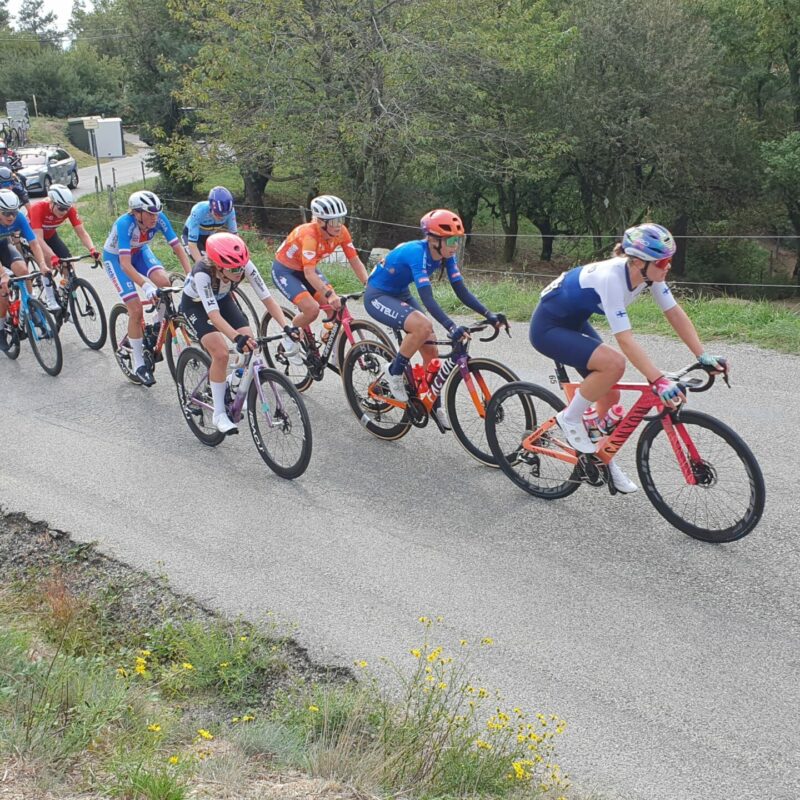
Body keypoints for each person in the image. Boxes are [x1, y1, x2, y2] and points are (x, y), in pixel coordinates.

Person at [529, 222, 727, 494]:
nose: (668, 265)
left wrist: (702, 355)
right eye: (663, 261)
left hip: (573, 322)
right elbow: (625, 339)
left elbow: (674, 313)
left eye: (670, 259)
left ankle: (599, 460)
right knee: (613, 364)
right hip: (548, 328)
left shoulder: (649, 275)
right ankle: (570, 418)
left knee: (609, 398)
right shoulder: (612, 278)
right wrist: (657, 379)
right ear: (636, 261)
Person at [364, 208, 506, 429]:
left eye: (457, 240)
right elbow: (427, 298)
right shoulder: (416, 253)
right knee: (422, 327)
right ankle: (394, 372)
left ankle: (433, 403)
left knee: (431, 349)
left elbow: (461, 290)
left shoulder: (446, 254)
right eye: (450, 240)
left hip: (400, 292)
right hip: (377, 295)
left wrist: (489, 314)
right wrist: (451, 326)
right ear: (433, 239)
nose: (455, 245)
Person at [180, 232, 302, 434]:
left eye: (241, 267)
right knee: (221, 353)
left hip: (222, 299)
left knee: (251, 346)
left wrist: (286, 326)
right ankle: (219, 414)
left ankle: (232, 384)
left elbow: (267, 299)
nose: (239, 272)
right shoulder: (203, 273)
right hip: (196, 306)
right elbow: (214, 315)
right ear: (218, 266)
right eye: (233, 269)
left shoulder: (244, 266)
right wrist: (236, 337)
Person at [102, 189, 192, 386]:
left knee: (165, 283)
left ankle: (156, 326)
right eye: (150, 213)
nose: (155, 217)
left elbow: (177, 247)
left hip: (140, 252)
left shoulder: (159, 219)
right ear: (137, 213)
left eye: (157, 212)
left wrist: (191, 275)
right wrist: (145, 286)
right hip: (117, 259)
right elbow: (125, 264)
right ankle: (139, 363)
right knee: (135, 308)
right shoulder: (125, 224)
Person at [271, 195, 368, 331]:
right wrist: (329, 294)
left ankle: (331, 343)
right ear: (322, 222)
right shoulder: (310, 236)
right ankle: (289, 336)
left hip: (307, 269)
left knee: (336, 310)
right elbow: (309, 274)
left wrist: (368, 283)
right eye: (334, 221)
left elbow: (355, 261)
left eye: (341, 219)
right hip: (286, 271)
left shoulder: (342, 232)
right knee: (312, 310)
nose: (339, 225)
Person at [0, 189, 55, 351]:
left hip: (4, 246)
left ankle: (30, 304)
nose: (11, 216)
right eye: (6, 213)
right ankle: (1, 328)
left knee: (24, 271)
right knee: (3, 293)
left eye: (14, 212)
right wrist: (3, 275)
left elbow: (34, 243)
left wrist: (42, 264)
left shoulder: (19, 219)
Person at [29, 185, 100, 272]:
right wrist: (52, 256)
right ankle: (47, 285)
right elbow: (38, 238)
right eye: (61, 208)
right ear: (51, 202)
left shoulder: (70, 210)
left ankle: (68, 284)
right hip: (33, 237)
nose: (64, 212)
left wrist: (92, 249)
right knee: (47, 262)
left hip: (50, 235)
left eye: (67, 208)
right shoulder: (37, 208)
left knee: (68, 263)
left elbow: (82, 233)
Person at [182, 185, 238, 262]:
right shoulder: (199, 210)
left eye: (225, 215)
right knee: (204, 265)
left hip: (209, 237)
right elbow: (192, 244)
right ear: (211, 206)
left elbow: (235, 236)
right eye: (218, 214)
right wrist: (201, 266)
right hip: (191, 236)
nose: (221, 217)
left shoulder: (231, 211)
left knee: (218, 264)